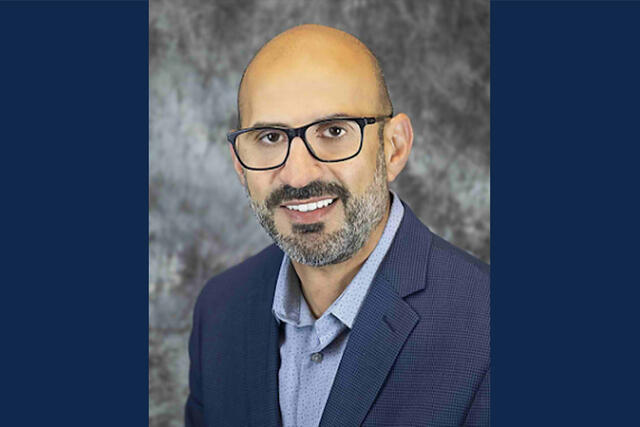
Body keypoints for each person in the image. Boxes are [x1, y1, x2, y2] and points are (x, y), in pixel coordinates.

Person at [185, 24, 489, 427]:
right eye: (270, 137)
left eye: (333, 132)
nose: (297, 175)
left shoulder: (486, 328)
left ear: (393, 148)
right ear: (240, 164)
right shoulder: (219, 311)